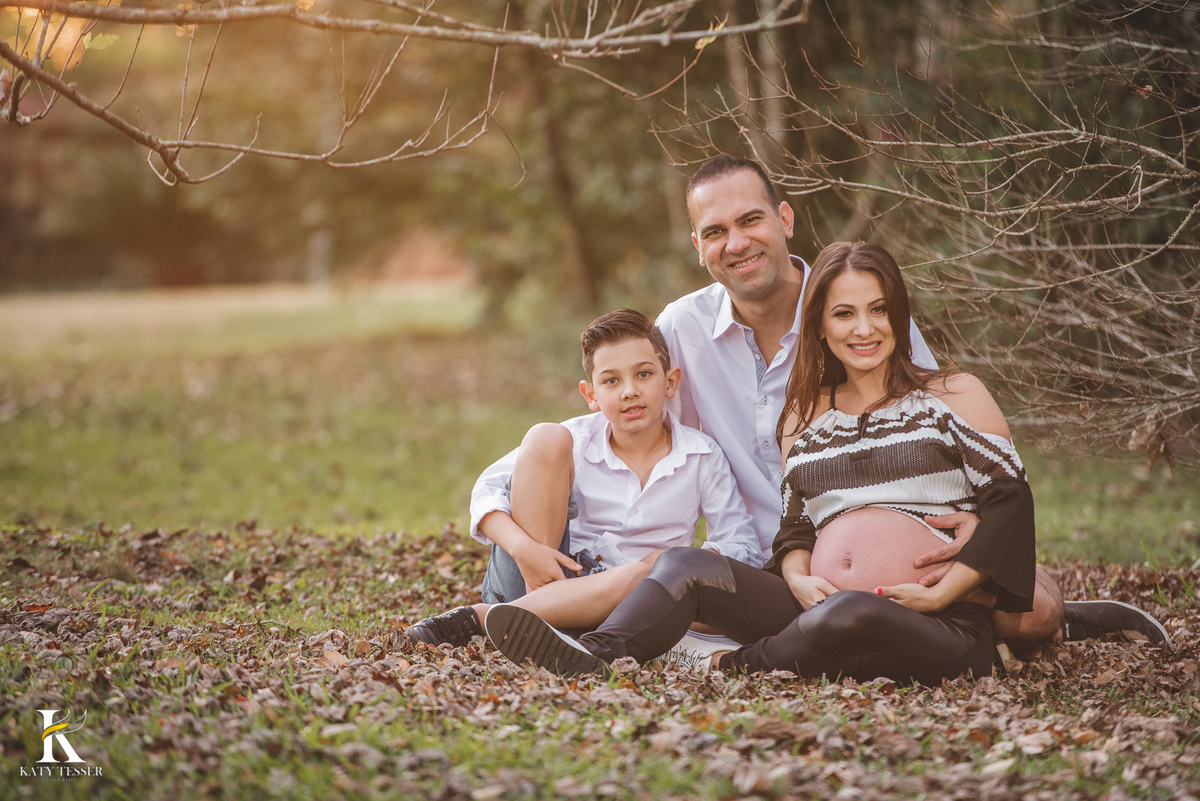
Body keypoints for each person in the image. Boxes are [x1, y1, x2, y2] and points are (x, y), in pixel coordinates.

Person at [654, 154, 1164, 645]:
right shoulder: (680, 330)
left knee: (1035, 611)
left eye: (751, 220)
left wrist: (981, 526)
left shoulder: (856, 302)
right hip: (777, 562)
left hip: (901, 536)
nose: (738, 243)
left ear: (785, 219)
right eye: (717, 232)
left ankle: (1048, 618)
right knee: (687, 609)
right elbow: (634, 436)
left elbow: (930, 418)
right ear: (698, 246)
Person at [484, 242, 1041, 683]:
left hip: (937, 622)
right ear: (819, 325)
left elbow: (1011, 503)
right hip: (810, 606)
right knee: (682, 565)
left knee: (852, 613)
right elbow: (796, 523)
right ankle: (593, 652)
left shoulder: (955, 393)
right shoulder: (805, 415)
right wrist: (797, 575)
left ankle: (740, 664)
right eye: (844, 313)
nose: (864, 328)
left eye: (878, 310)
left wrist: (946, 591)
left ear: (899, 314)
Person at [407, 309, 761, 647]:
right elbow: (487, 491)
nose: (629, 391)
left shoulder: (701, 455)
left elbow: (740, 544)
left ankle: (498, 621)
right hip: (539, 576)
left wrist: (674, 563)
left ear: (671, 382)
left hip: (636, 601)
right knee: (546, 436)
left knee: (656, 570)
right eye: (611, 380)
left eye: (644, 374)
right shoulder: (575, 438)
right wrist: (525, 549)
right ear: (591, 395)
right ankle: (528, 614)